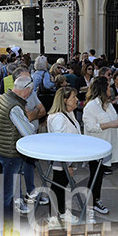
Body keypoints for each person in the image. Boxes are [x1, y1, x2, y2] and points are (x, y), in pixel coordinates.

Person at [82, 76, 118, 216]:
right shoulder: (91, 106)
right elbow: (90, 127)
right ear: (102, 89)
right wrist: (111, 124)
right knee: (95, 175)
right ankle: (93, 202)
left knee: (99, 175)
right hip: (95, 147)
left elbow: (112, 118)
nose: (110, 89)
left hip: (107, 145)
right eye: (107, 87)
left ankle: (94, 200)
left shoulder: (107, 104)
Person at [0, 72, 35, 214]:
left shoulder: (3, 98)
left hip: (2, 147)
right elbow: (28, 133)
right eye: (30, 91)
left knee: (7, 185)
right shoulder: (15, 107)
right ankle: (5, 220)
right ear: (26, 90)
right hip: (11, 152)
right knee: (8, 190)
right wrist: (31, 126)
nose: (29, 94)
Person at [46, 84, 82, 222]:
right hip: (62, 161)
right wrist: (68, 165)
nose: (76, 99)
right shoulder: (59, 118)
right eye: (73, 97)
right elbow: (59, 144)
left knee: (61, 186)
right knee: (58, 186)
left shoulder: (68, 113)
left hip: (67, 160)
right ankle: (54, 216)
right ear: (65, 100)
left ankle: (60, 212)